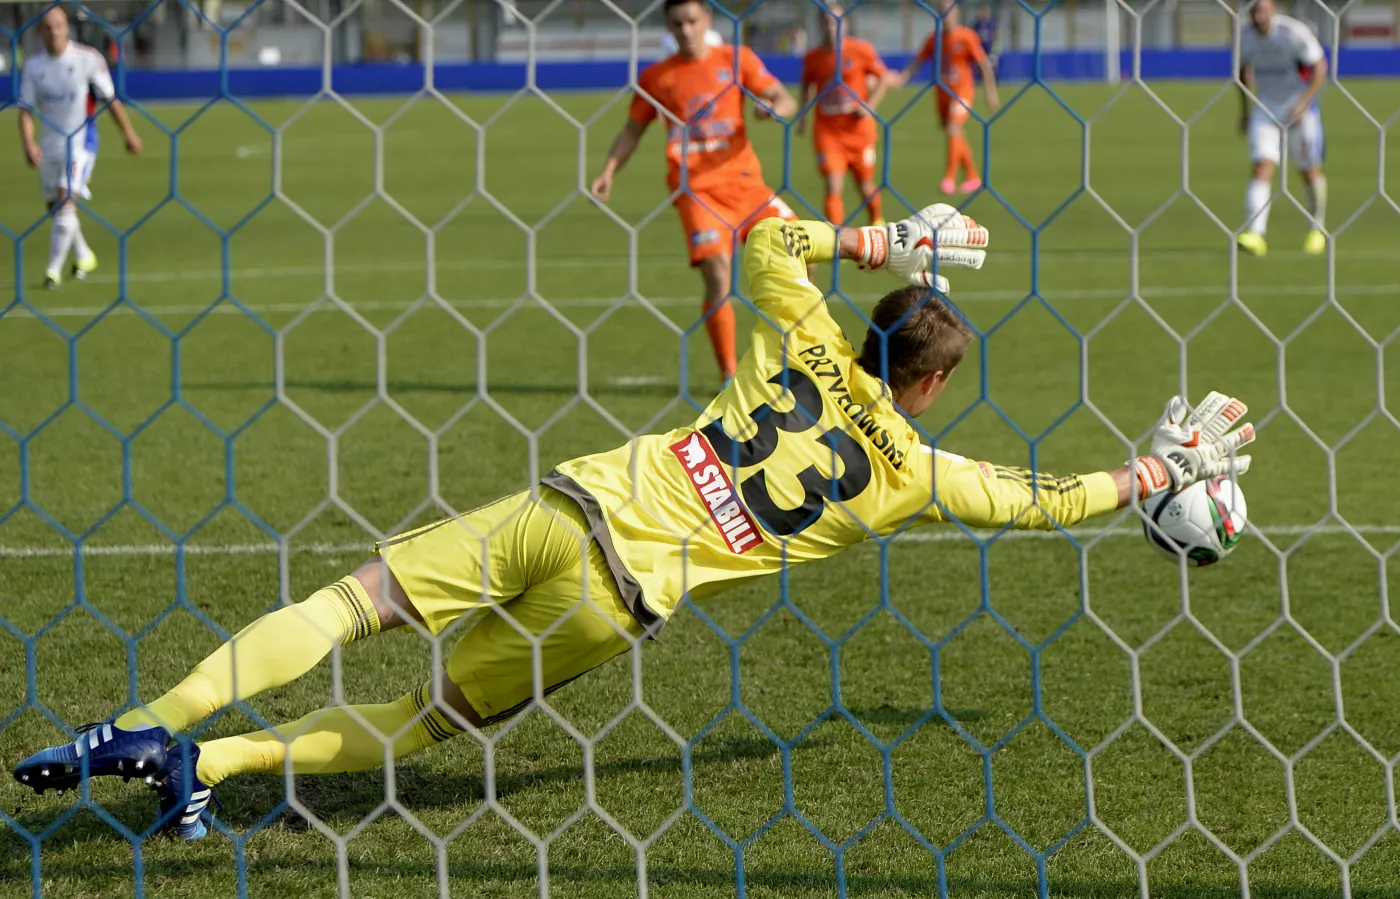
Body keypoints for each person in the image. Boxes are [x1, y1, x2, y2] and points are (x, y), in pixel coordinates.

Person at [11, 204, 1256, 842]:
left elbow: (764, 238)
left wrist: (882, 232)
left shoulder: (806, 335)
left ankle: (146, 723)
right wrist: (1146, 476)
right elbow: (1036, 502)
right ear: (927, 384)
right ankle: (210, 768)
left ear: (869, 324)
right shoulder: (910, 470)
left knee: (352, 604)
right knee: (422, 716)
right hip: (618, 598)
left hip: (575, 499)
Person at [591, 0, 798, 384]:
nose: (685, 30)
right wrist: (608, 171)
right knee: (719, 274)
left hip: (747, 185)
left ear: (707, 20)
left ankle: (793, 357)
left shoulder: (737, 59)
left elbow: (784, 97)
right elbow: (632, 130)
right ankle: (730, 375)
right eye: (676, 24)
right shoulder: (657, 77)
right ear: (668, 28)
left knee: (801, 251)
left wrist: (772, 108)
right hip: (697, 191)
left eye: (691, 21)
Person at [18, 7, 142, 289]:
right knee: (56, 208)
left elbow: (110, 99)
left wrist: (129, 134)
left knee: (65, 202)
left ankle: (53, 271)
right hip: (49, 144)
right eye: (48, 27)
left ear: (67, 28)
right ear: (40, 31)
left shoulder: (88, 59)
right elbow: (25, 110)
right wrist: (28, 143)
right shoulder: (34, 67)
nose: (55, 31)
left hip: (81, 140)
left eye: (59, 25)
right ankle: (84, 254)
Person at [1237, 0, 1328, 257]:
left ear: (1273, 10)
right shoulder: (1245, 39)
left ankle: (1316, 229)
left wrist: (1303, 103)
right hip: (1265, 109)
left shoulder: (1292, 33)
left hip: (1299, 111)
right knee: (1261, 167)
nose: (1259, 15)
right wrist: (1244, 111)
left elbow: (1320, 66)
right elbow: (1242, 72)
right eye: (1255, 10)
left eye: (1263, 10)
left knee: (1308, 170)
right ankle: (1255, 234)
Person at [796, 3, 893, 227]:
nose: (832, 27)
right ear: (820, 25)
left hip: (858, 131)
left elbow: (884, 78)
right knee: (832, 184)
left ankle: (877, 221)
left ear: (846, 24)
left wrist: (870, 106)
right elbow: (805, 85)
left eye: (836, 22)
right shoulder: (813, 57)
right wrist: (802, 117)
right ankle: (836, 236)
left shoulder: (861, 50)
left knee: (865, 184)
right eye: (827, 22)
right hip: (828, 133)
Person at [895, 1, 1000, 195]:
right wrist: (901, 79)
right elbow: (916, 62)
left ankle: (949, 179)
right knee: (954, 132)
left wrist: (991, 93)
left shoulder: (967, 36)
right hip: (942, 93)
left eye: (950, 12)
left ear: (957, 14)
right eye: (942, 13)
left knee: (953, 127)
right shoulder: (934, 40)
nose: (946, 16)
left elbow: (984, 65)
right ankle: (973, 176)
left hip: (963, 92)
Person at [973, 4, 999, 76]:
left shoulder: (992, 23)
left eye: (985, 11)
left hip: (991, 48)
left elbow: (996, 35)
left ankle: (994, 82)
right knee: (981, 66)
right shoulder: (977, 24)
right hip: (981, 48)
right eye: (982, 11)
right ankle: (982, 81)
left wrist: (996, 47)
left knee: (993, 66)